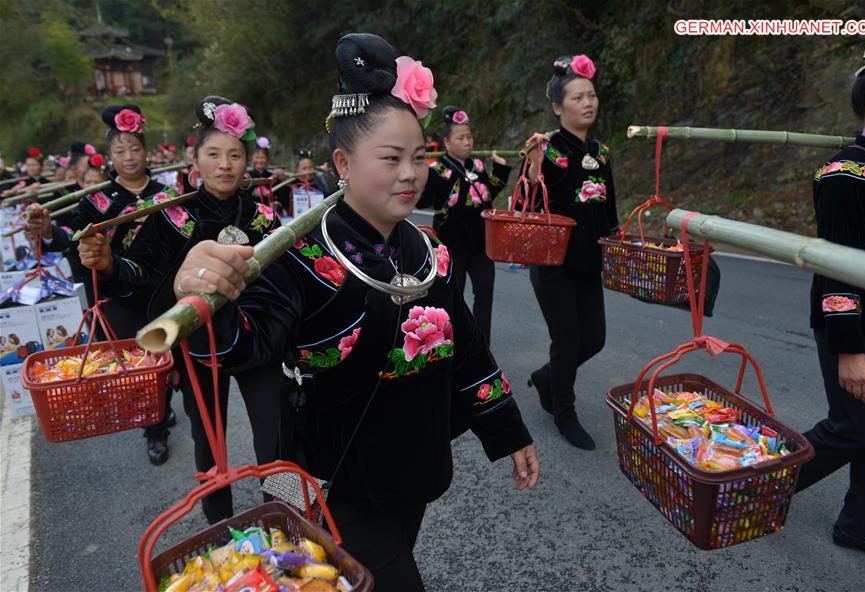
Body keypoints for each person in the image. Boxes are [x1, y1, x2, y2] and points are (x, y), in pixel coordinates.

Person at [171, 33, 539, 589]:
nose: (410, 174)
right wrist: (202, 294)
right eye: (390, 159)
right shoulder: (300, 254)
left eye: (419, 158)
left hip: (412, 461)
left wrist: (508, 429)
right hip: (329, 479)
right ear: (343, 162)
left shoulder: (428, 250)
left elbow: (466, 348)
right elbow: (241, 347)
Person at [86, 96, 285, 525]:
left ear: (247, 160)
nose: (225, 164)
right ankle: (221, 531)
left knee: (275, 439)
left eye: (235, 155)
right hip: (199, 349)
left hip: (259, 344)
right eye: (213, 154)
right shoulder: (170, 216)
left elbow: (289, 280)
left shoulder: (265, 217)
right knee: (208, 443)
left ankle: (287, 517)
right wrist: (107, 263)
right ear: (194, 158)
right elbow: (140, 271)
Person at [794, 25, 865, 565]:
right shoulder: (849, 173)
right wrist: (849, 348)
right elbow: (836, 270)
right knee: (852, 429)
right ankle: (754, 482)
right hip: (859, 329)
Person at [25, 104, 177, 465]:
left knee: (167, 365)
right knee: (140, 367)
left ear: (146, 151)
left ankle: (162, 407)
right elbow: (70, 241)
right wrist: (47, 232)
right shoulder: (96, 201)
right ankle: (155, 430)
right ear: (110, 155)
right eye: (120, 150)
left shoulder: (168, 197)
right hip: (117, 299)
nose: (128, 157)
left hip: (161, 293)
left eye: (135, 149)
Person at [524, 54, 617, 450]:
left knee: (593, 338)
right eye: (577, 97)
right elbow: (529, 201)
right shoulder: (549, 149)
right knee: (566, 339)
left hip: (588, 262)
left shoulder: (602, 151)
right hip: (553, 263)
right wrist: (533, 167)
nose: (587, 103)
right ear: (558, 107)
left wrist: (615, 242)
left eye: (591, 95)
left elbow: (610, 208)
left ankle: (548, 378)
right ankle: (564, 411)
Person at [417, 106, 510, 345]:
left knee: (484, 294)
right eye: (461, 138)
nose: (467, 142)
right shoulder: (437, 170)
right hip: (452, 245)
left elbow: (491, 190)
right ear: (447, 142)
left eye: (469, 137)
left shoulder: (477, 166)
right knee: (453, 297)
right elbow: (424, 200)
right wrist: (417, 175)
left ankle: (481, 343)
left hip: (481, 244)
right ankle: (453, 343)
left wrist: (499, 168)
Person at [283, 149, 336, 216]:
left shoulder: (319, 184)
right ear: (297, 170)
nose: (308, 171)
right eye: (304, 168)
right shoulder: (289, 187)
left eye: (310, 168)